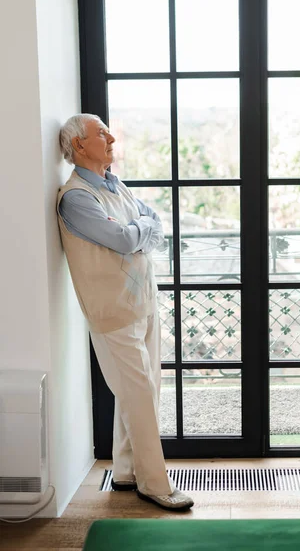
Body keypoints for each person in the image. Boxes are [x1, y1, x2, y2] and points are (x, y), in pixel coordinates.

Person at [57, 113, 194, 511]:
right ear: (79, 146)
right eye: (101, 133)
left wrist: (139, 229)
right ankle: (156, 484)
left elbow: (153, 222)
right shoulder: (77, 197)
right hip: (113, 312)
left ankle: (124, 471)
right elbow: (121, 238)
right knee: (139, 395)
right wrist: (139, 230)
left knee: (143, 390)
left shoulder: (115, 185)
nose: (112, 136)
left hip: (142, 303)